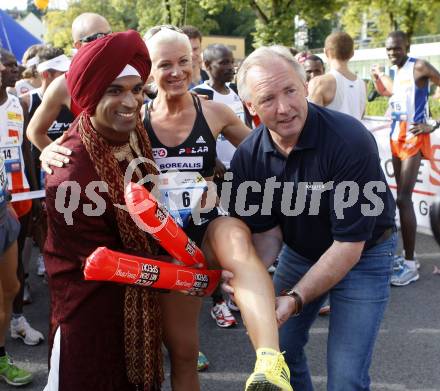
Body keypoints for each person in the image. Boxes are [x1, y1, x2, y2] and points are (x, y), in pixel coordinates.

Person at [42, 25, 293, 391]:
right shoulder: (135, 122)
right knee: (163, 358)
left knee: (190, 342)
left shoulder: (212, 112)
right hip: (147, 255)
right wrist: (48, 148)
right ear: (152, 73)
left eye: (184, 61)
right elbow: (63, 131)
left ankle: (270, 361)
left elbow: (263, 154)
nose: (176, 71)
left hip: (196, 236)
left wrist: (223, 186)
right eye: (164, 64)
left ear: (195, 62)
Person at [231, 45, 397, 391]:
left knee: (346, 378)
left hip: (365, 253)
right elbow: (267, 236)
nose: (284, 107)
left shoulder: (349, 140)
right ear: (250, 107)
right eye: (268, 98)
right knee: (277, 353)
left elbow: (349, 247)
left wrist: (294, 298)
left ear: (306, 85)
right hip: (301, 252)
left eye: (290, 90)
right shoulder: (248, 157)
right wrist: (248, 280)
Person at [43, 30, 163, 391]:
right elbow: (105, 261)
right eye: (115, 90)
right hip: (89, 306)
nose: (131, 101)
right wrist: (181, 271)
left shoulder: (130, 132)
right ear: (90, 94)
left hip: (137, 300)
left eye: (136, 89)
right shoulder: (69, 174)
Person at [371, 31, 440, 286]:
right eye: (389, 49)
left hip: (414, 138)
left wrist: (433, 124)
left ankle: (410, 265)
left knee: (403, 198)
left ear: (407, 46)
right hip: (396, 137)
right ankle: (407, 257)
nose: (392, 53)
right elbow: (395, 97)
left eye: (397, 49)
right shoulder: (396, 72)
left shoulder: (419, 66)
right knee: (399, 200)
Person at [192, 43, 252, 328]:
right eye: (223, 63)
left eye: (231, 62)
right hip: (212, 179)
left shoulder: (236, 95)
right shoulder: (202, 96)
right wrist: (212, 158)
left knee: (239, 236)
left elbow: (247, 134)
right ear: (207, 66)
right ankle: (217, 302)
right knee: (214, 242)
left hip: (238, 175)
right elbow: (196, 135)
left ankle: (232, 293)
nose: (230, 67)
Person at [0, 49, 43, 346]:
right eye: (9, 65)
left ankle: (17, 320)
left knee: (17, 266)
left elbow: (26, 149)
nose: (16, 69)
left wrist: (35, 191)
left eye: (17, 65)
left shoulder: (19, 103)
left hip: (22, 193)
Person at [21, 46, 73, 278]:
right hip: (36, 171)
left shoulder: (72, 96)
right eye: (60, 72)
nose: (66, 77)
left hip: (67, 175)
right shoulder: (26, 102)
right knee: (39, 221)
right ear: (46, 74)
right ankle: (42, 258)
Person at [26, 12, 111, 152]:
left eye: (110, 35)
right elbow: (34, 132)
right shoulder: (64, 84)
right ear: (78, 45)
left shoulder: (128, 71)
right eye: (99, 37)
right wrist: (57, 157)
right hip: (91, 169)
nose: (107, 42)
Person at [0, 57, 33, 388]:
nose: (10, 70)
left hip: (11, 203)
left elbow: (26, 150)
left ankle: (2, 353)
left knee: (10, 286)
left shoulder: (19, 104)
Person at [308, 32, 366, 121]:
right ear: (352, 53)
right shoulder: (362, 84)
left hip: (330, 135)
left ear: (326, 52)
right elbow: (361, 115)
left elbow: (312, 121)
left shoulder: (320, 83)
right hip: (357, 134)